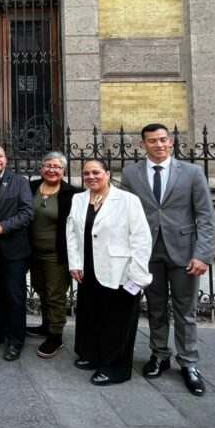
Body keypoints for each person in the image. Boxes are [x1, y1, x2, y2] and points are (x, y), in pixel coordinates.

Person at [121, 123, 215, 396]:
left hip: (185, 253)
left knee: (186, 311)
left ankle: (189, 363)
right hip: (148, 253)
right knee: (156, 307)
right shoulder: (130, 173)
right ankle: (159, 354)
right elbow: (126, 214)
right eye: (152, 141)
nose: (159, 145)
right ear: (143, 145)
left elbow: (206, 216)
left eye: (163, 139)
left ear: (171, 141)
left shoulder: (192, 172)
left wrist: (203, 254)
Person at [67, 158, 153, 385]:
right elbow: (72, 232)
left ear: (107, 173)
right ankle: (92, 355)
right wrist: (74, 263)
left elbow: (141, 238)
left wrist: (138, 276)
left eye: (96, 172)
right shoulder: (78, 199)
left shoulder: (127, 200)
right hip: (88, 268)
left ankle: (115, 368)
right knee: (92, 315)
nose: (90, 177)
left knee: (117, 320)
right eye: (86, 173)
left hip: (120, 269)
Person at [0, 144, 35, 361]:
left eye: (0, 156)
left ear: (6, 159)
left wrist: (4, 226)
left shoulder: (19, 182)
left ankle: (15, 340)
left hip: (13, 250)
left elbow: (27, 213)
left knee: (14, 296)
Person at [27, 151, 81, 358]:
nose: (52, 170)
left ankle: (55, 336)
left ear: (63, 170)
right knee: (41, 289)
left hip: (57, 254)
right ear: (41, 168)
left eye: (57, 167)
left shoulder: (72, 194)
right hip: (33, 252)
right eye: (48, 165)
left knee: (55, 295)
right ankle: (45, 326)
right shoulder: (31, 187)